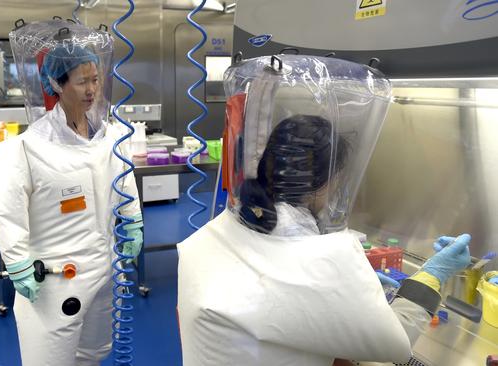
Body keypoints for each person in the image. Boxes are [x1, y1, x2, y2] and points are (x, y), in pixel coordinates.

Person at [177, 54, 471, 366]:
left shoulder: (226, 227)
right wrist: (433, 275)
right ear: (328, 181)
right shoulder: (317, 256)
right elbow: (395, 343)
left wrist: (349, 291)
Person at [0, 21, 143, 366]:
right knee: (51, 358)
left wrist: (133, 222)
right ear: (56, 84)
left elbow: (124, 183)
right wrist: (17, 262)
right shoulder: (25, 149)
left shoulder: (112, 138)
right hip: (55, 279)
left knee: (94, 353)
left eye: (95, 79)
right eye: (82, 81)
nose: (91, 89)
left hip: (104, 268)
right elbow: (8, 211)